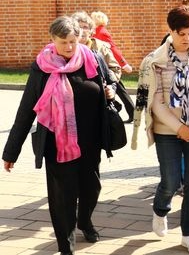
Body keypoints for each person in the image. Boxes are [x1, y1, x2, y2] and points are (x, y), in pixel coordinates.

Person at [2, 16, 118, 255]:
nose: (69, 47)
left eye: (73, 41)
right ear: (52, 39)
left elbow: (113, 82)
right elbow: (25, 111)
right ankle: (66, 245)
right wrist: (11, 151)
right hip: (56, 143)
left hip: (90, 141)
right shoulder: (42, 67)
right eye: (63, 42)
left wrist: (111, 91)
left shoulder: (91, 59)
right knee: (62, 195)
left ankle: (84, 221)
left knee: (91, 188)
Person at [131, 5, 189, 253]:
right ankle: (160, 210)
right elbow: (154, 101)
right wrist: (179, 127)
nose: (187, 39)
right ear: (171, 31)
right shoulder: (154, 61)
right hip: (167, 131)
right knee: (170, 181)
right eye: (182, 33)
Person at [72, 11, 136, 123]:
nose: (82, 30)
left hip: (99, 98)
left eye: (85, 27)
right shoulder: (67, 47)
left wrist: (110, 85)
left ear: (91, 30)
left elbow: (114, 68)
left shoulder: (100, 47)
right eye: (78, 26)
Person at [91, 11, 135, 122]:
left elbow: (113, 49)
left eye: (92, 18)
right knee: (121, 91)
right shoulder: (97, 31)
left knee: (120, 91)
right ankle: (131, 112)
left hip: (107, 68)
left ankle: (130, 112)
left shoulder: (101, 32)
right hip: (103, 67)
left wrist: (123, 64)